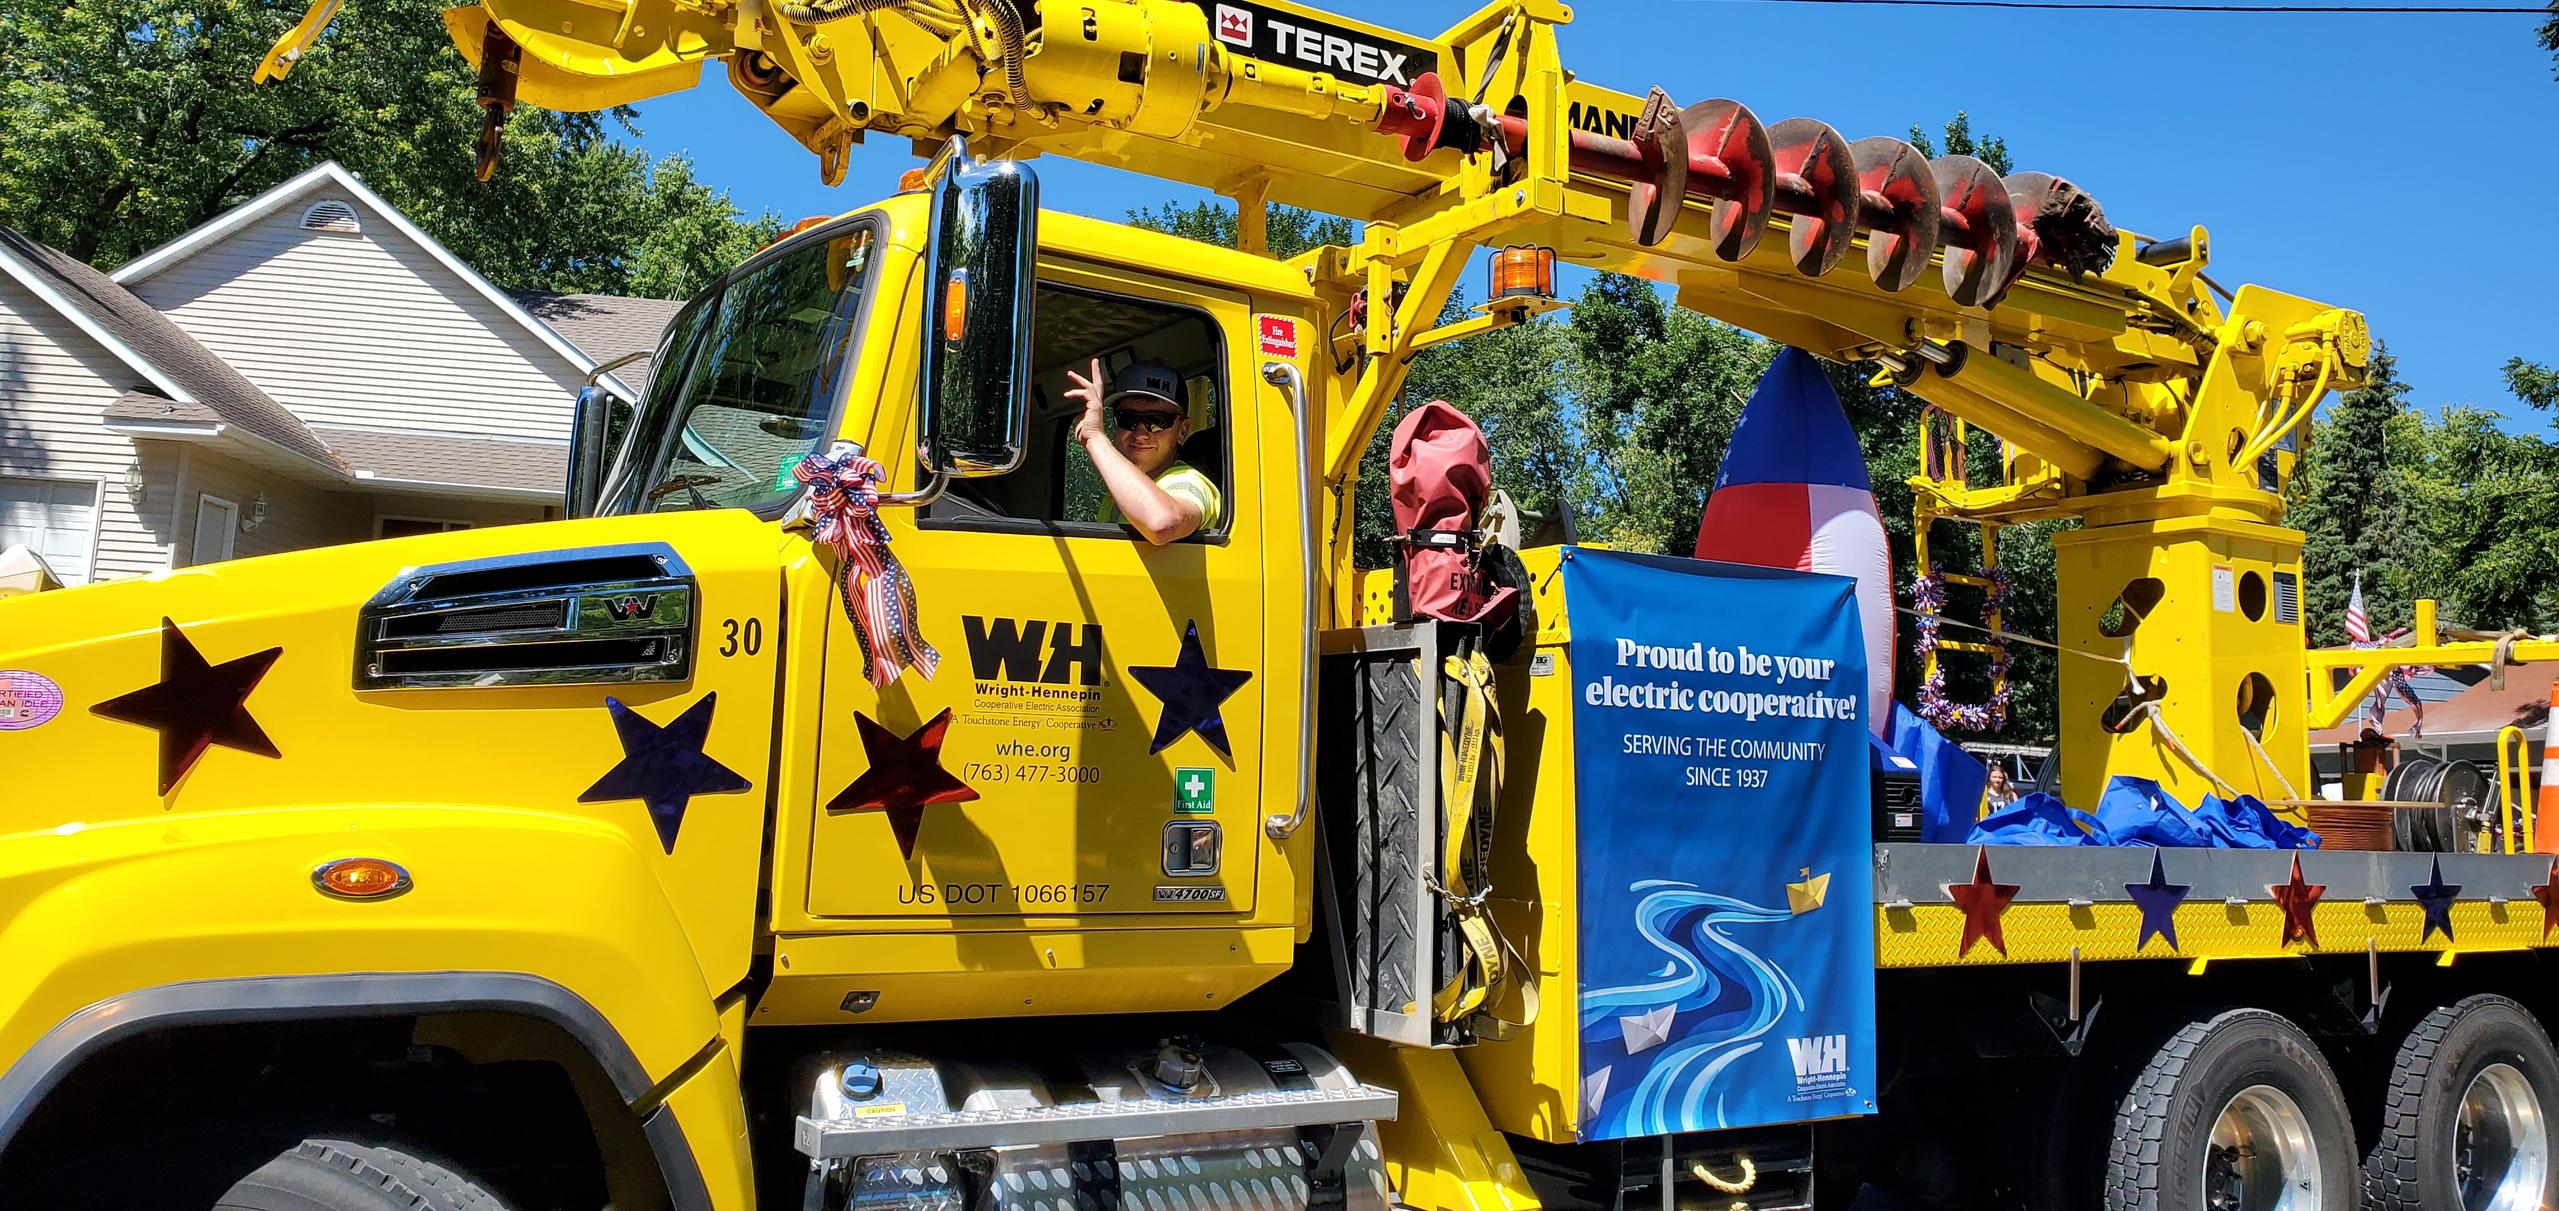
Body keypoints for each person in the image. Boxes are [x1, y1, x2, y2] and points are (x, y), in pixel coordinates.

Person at [1068, 357, 1222, 546]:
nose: (1141, 433)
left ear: (1182, 431)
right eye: (1127, 419)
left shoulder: (1189, 482)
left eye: (1156, 420)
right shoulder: (1123, 486)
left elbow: (1162, 523)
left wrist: (1095, 439)